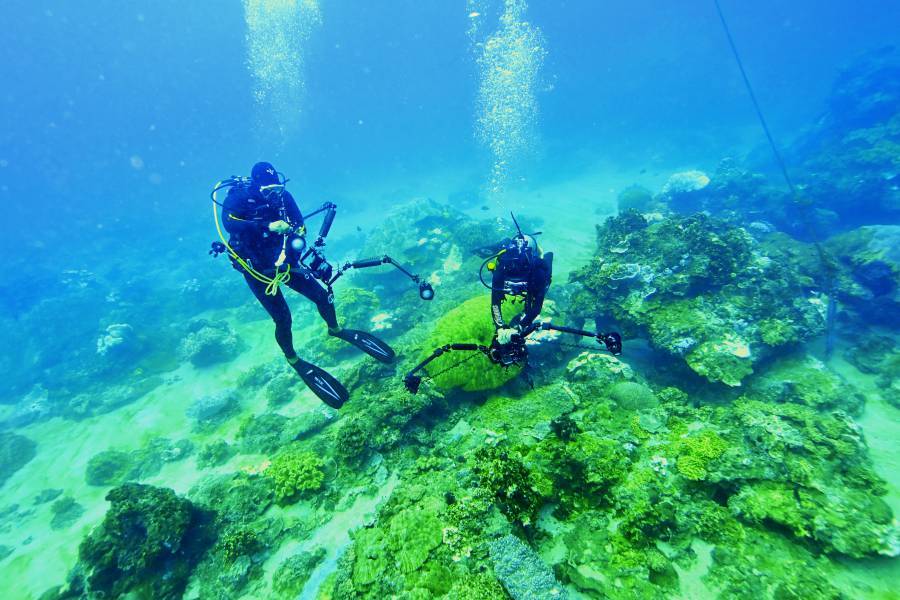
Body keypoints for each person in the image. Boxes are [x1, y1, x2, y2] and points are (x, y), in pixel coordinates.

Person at [218, 161, 394, 408]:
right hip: (256, 269)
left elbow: (299, 225)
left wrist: (293, 243)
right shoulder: (238, 198)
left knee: (322, 296)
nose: (273, 195)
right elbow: (229, 224)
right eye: (267, 190)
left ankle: (335, 329)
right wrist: (266, 226)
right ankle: (293, 358)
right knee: (283, 318)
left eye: (277, 189)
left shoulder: (283, 197)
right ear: (256, 187)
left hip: (286, 262)